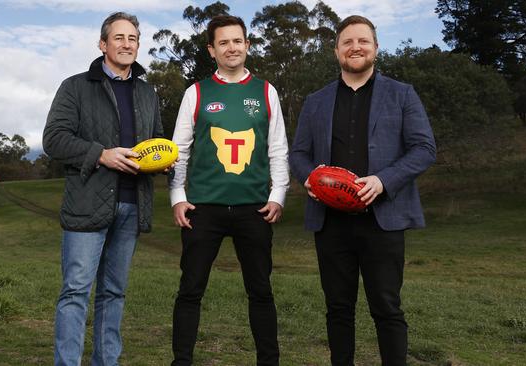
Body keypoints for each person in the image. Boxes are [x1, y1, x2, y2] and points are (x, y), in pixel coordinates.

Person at [289, 15, 436, 366]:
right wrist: (309, 178)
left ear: (375, 48)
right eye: (347, 42)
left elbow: (424, 149)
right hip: (331, 222)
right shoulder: (316, 100)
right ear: (337, 50)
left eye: (363, 41)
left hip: (382, 220)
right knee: (338, 308)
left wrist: (383, 181)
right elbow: (298, 153)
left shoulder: (402, 94)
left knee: (386, 307)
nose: (355, 47)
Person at [42, 12, 163, 366]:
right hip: (87, 205)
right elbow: (54, 140)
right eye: (119, 38)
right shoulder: (76, 86)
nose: (127, 44)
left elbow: (155, 142)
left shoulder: (147, 92)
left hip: (132, 205)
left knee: (114, 293)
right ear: (103, 44)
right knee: (76, 291)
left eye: (133, 39)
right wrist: (101, 155)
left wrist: (161, 160)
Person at [169, 14, 289, 366]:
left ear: (247, 45)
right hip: (203, 209)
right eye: (223, 42)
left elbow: (278, 149)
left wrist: (277, 196)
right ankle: (182, 361)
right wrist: (178, 197)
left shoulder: (266, 91)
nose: (231, 47)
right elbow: (180, 151)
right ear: (212, 50)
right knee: (190, 291)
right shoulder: (196, 93)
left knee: (261, 292)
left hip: (254, 208)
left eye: (237, 41)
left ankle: (269, 361)